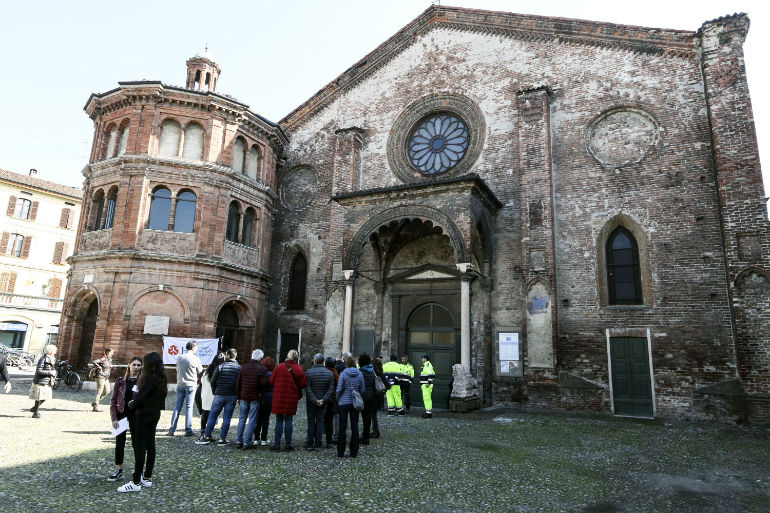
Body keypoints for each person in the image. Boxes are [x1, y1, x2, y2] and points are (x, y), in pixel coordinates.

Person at [117, 352, 168, 493]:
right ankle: (147, 477)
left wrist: (132, 404)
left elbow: (140, 397)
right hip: (155, 414)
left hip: (144, 415)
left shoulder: (150, 378)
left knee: (140, 447)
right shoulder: (162, 378)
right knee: (151, 445)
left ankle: (136, 481)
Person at [196, 348, 240, 446]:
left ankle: (206, 437)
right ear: (235, 356)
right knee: (227, 418)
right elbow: (239, 383)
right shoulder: (239, 368)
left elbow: (212, 381)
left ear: (227, 355)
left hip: (219, 395)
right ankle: (222, 439)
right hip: (231, 396)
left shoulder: (220, 367)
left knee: (212, 416)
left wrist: (215, 391)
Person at [108, 356, 142, 482]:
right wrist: (114, 418)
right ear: (129, 365)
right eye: (134, 364)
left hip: (136, 415)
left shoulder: (142, 381)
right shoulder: (120, 381)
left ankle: (139, 471)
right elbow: (113, 400)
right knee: (119, 443)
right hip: (122, 414)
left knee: (136, 443)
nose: (136, 367)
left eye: (139, 365)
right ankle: (118, 470)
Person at [269, 349, 306, 451]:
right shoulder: (299, 369)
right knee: (289, 420)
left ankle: (277, 444)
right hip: (292, 398)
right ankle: (288, 444)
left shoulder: (279, 367)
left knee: (279, 420)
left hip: (279, 397)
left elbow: (271, 380)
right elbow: (303, 384)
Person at [236, 349, 269, 449]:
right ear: (261, 358)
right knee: (252, 419)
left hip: (244, 396)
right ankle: (247, 442)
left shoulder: (243, 367)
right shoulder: (261, 368)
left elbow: (238, 383)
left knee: (242, 419)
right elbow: (264, 384)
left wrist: (238, 397)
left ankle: (239, 440)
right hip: (255, 397)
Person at [167, 341, 202, 437]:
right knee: (189, 407)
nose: (196, 349)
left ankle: (172, 429)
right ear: (193, 347)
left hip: (180, 384)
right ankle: (188, 429)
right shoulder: (195, 358)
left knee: (177, 407)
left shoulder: (179, 357)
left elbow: (177, 369)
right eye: (196, 348)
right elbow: (200, 370)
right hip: (191, 384)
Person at [335, 355, 364, 458]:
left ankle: (341, 451)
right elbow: (362, 389)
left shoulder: (343, 374)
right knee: (355, 426)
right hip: (355, 403)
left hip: (343, 402)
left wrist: (338, 398)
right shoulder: (359, 374)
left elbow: (339, 389)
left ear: (346, 363)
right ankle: (354, 451)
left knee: (342, 427)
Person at [304, 353, 334, 450]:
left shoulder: (309, 372)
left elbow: (307, 388)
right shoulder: (329, 373)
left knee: (311, 421)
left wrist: (314, 399)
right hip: (322, 401)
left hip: (311, 401)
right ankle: (318, 443)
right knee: (320, 421)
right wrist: (323, 399)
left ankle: (310, 443)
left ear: (315, 361)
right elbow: (330, 389)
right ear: (323, 362)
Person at [196, 352, 225, 438]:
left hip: (204, 394)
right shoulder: (220, 370)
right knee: (212, 416)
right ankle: (208, 434)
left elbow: (202, 381)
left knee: (205, 414)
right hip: (214, 395)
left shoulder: (208, 370)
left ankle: (203, 432)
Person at [29, 344, 57, 418]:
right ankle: (35, 413)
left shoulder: (53, 359)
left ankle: (34, 408)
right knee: (39, 397)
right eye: (54, 350)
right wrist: (50, 372)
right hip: (41, 381)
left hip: (47, 381)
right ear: (50, 351)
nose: (55, 352)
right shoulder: (43, 359)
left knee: (46, 397)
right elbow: (39, 371)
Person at [254, 356, 275, 446]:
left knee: (258, 419)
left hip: (259, 397)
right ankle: (263, 439)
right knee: (266, 419)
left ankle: (256, 438)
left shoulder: (259, 374)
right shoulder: (272, 375)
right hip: (269, 398)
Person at [357, 353, 377, 445]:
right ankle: (366, 436)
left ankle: (364, 437)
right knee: (367, 417)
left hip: (363, 396)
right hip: (371, 396)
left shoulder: (361, 371)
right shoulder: (371, 370)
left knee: (363, 417)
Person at [323, 356, 340, 448]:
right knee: (329, 420)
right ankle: (329, 441)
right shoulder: (335, 374)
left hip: (322, 398)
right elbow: (338, 386)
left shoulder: (324, 372)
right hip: (331, 399)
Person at [91, 347, 113, 412]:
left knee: (107, 391)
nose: (112, 354)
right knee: (99, 391)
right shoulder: (103, 359)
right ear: (107, 352)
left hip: (105, 377)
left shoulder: (109, 360)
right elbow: (94, 362)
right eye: (111, 352)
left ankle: (95, 402)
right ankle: (96, 406)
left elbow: (107, 367)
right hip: (100, 376)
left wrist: (110, 365)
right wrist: (99, 367)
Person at [371, 358, 388, 438]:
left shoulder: (373, 373)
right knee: (374, 414)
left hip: (373, 396)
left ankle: (375, 431)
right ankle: (375, 431)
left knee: (372, 415)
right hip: (379, 396)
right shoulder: (381, 373)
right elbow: (387, 385)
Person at [420, 354, 435, 418]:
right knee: (427, 398)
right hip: (426, 384)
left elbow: (431, 374)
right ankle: (428, 412)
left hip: (426, 385)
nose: (421, 359)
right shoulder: (428, 365)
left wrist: (429, 382)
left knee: (427, 399)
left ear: (425, 359)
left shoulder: (427, 365)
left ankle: (428, 413)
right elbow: (433, 374)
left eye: (422, 358)